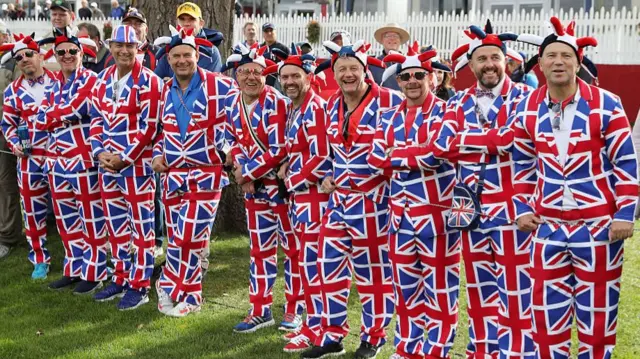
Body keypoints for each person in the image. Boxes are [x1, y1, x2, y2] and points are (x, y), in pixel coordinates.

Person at [513, 17, 637, 359]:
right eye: (550, 56)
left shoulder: (607, 103)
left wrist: (625, 213)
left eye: (566, 56)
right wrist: (522, 208)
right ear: (539, 65)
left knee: (598, 315)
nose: (558, 61)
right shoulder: (527, 107)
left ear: (578, 62)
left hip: (599, 228)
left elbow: (625, 161)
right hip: (548, 228)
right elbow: (520, 164)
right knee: (545, 315)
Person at [433, 20, 533, 359]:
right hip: (470, 212)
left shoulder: (525, 98)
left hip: (513, 210)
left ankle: (517, 353)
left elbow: (517, 139)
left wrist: (472, 142)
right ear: (471, 64)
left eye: (495, 57)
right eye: (481, 59)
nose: (488, 64)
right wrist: (493, 141)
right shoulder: (457, 102)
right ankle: (484, 351)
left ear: (506, 61)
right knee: (479, 292)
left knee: (517, 292)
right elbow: (443, 145)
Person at [301, 39, 402, 359]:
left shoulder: (389, 101)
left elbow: (405, 148)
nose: (347, 74)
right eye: (341, 69)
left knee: (373, 274)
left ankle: (373, 337)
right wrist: (323, 176)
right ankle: (332, 334)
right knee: (327, 267)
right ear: (333, 73)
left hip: (375, 202)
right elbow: (326, 152)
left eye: (353, 68)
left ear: (365, 70)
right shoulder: (330, 104)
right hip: (339, 202)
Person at [367, 42, 460, 359]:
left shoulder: (448, 111)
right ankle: (407, 348)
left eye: (419, 75)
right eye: (405, 77)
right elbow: (376, 158)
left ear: (433, 78)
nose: (412, 82)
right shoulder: (388, 115)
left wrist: (398, 156)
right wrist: (411, 155)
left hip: (437, 218)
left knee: (440, 289)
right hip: (400, 218)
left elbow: (438, 153)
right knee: (405, 289)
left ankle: (437, 349)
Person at [152, 26, 235, 317]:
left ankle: (172, 287)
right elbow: (158, 133)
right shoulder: (164, 89)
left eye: (187, 55)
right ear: (169, 59)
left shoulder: (222, 86)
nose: (182, 61)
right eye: (176, 56)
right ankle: (189, 294)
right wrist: (156, 155)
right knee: (181, 235)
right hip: (172, 175)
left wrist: (231, 151)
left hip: (207, 174)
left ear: (197, 55)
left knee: (186, 236)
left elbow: (241, 123)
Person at [223, 43, 303, 333]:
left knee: (292, 249)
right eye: (244, 72)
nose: (250, 78)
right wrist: (240, 168)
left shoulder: (278, 103)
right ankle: (259, 309)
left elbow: (281, 149)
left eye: (256, 72)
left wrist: (247, 173)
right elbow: (231, 140)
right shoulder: (233, 103)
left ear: (265, 75)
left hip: (279, 188)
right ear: (236, 75)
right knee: (259, 250)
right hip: (253, 190)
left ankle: (295, 307)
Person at [262, 44, 331, 352]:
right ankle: (313, 326)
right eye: (284, 77)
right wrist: (290, 163)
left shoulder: (314, 107)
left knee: (315, 266)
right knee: (306, 263)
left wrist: (291, 179)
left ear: (308, 77)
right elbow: (300, 149)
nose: (288, 82)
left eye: (294, 76)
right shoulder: (294, 108)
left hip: (314, 197)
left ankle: (318, 330)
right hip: (300, 199)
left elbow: (321, 156)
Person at [89, 25, 162, 310]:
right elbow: (96, 119)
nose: (123, 50)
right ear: (110, 45)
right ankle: (120, 277)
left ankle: (140, 285)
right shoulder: (102, 79)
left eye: (129, 46)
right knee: (115, 226)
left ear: (139, 47)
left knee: (142, 230)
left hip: (136, 167)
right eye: (118, 45)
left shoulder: (151, 81)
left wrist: (125, 158)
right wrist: (98, 152)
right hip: (106, 165)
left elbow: (150, 127)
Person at [35, 27, 107, 294]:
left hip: (83, 160)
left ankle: (95, 270)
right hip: (57, 163)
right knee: (67, 220)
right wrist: (64, 115)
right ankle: (74, 268)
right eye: (61, 51)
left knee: (91, 218)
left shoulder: (91, 80)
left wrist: (59, 115)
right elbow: (41, 120)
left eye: (72, 51)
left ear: (81, 53)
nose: (66, 55)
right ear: (56, 54)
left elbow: (83, 108)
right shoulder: (53, 85)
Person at [0, 34, 57, 275]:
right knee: (32, 213)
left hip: (59, 159)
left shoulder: (60, 82)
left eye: (28, 54)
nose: (24, 59)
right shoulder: (13, 91)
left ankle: (82, 256)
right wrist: (14, 144)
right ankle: (40, 259)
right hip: (29, 160)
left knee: (72, 210)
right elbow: (7, 125)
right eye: (18, 57)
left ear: (41, 56)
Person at [0, 24, 26, 261]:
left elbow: (19, 102)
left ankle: (8, 236)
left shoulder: (13, 61)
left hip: (7, 135)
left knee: (6, 185)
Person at [154, 2, 223, 80]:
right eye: (182, 19)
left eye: (192, 19)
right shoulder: (168, 49)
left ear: (201, 23)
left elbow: (211, 84)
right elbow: (156, 82)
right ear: (177, 23)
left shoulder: (211, 53)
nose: (186, 23)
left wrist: (171, 81)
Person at [369, 23, 410, 91]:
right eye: (388, 36)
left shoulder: (408, 62)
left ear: (400, 41)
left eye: (395, 36)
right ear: (382, 40)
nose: (392, 39)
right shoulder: (373, 64)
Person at [260, 23, 288, 87]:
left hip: (278, 83)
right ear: (263, 34)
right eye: (266, 31)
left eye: (271, 31)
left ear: (275, 32)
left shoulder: (283, 48)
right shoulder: (259, 48)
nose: (269, 33)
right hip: (261, 82)